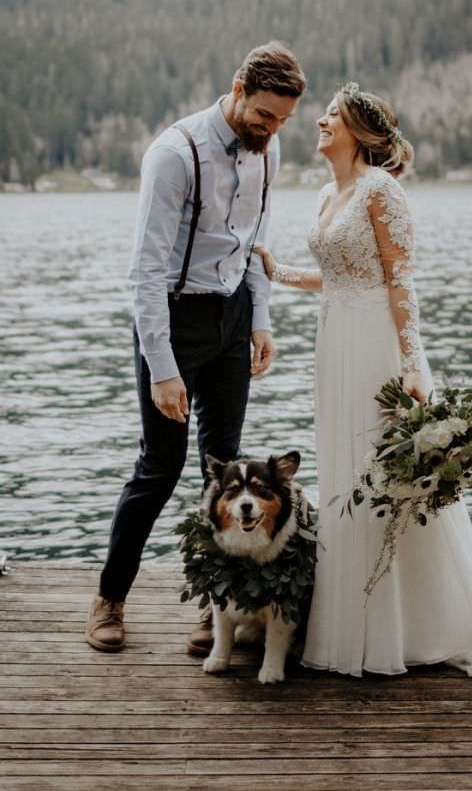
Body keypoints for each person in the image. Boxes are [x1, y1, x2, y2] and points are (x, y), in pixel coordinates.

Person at [255, 81, 472, 714]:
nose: (319, 122)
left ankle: (403, 629)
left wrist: (412, 366)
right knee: (346, 473)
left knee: (384, 476)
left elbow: (399, 280)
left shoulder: (383, 191)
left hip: (378, 347)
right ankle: (353, 624)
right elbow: (342, 277)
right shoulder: (330, 193)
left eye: (331, 116)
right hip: (335, 345)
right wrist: (280, 272)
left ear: (358, 130)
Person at [86, 41, 306, 654]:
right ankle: (110, 598)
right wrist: (161, 368)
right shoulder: (173, 154)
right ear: (238, 88)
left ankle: (218, 610)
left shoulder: (270, 147)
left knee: (229, 470)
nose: (272, 129)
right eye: (264, 115)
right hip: (174, 319)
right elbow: (146, 272)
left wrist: (260, 321)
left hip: (233, 317)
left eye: (283, 120)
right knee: (160, 469)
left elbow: (256, 240)